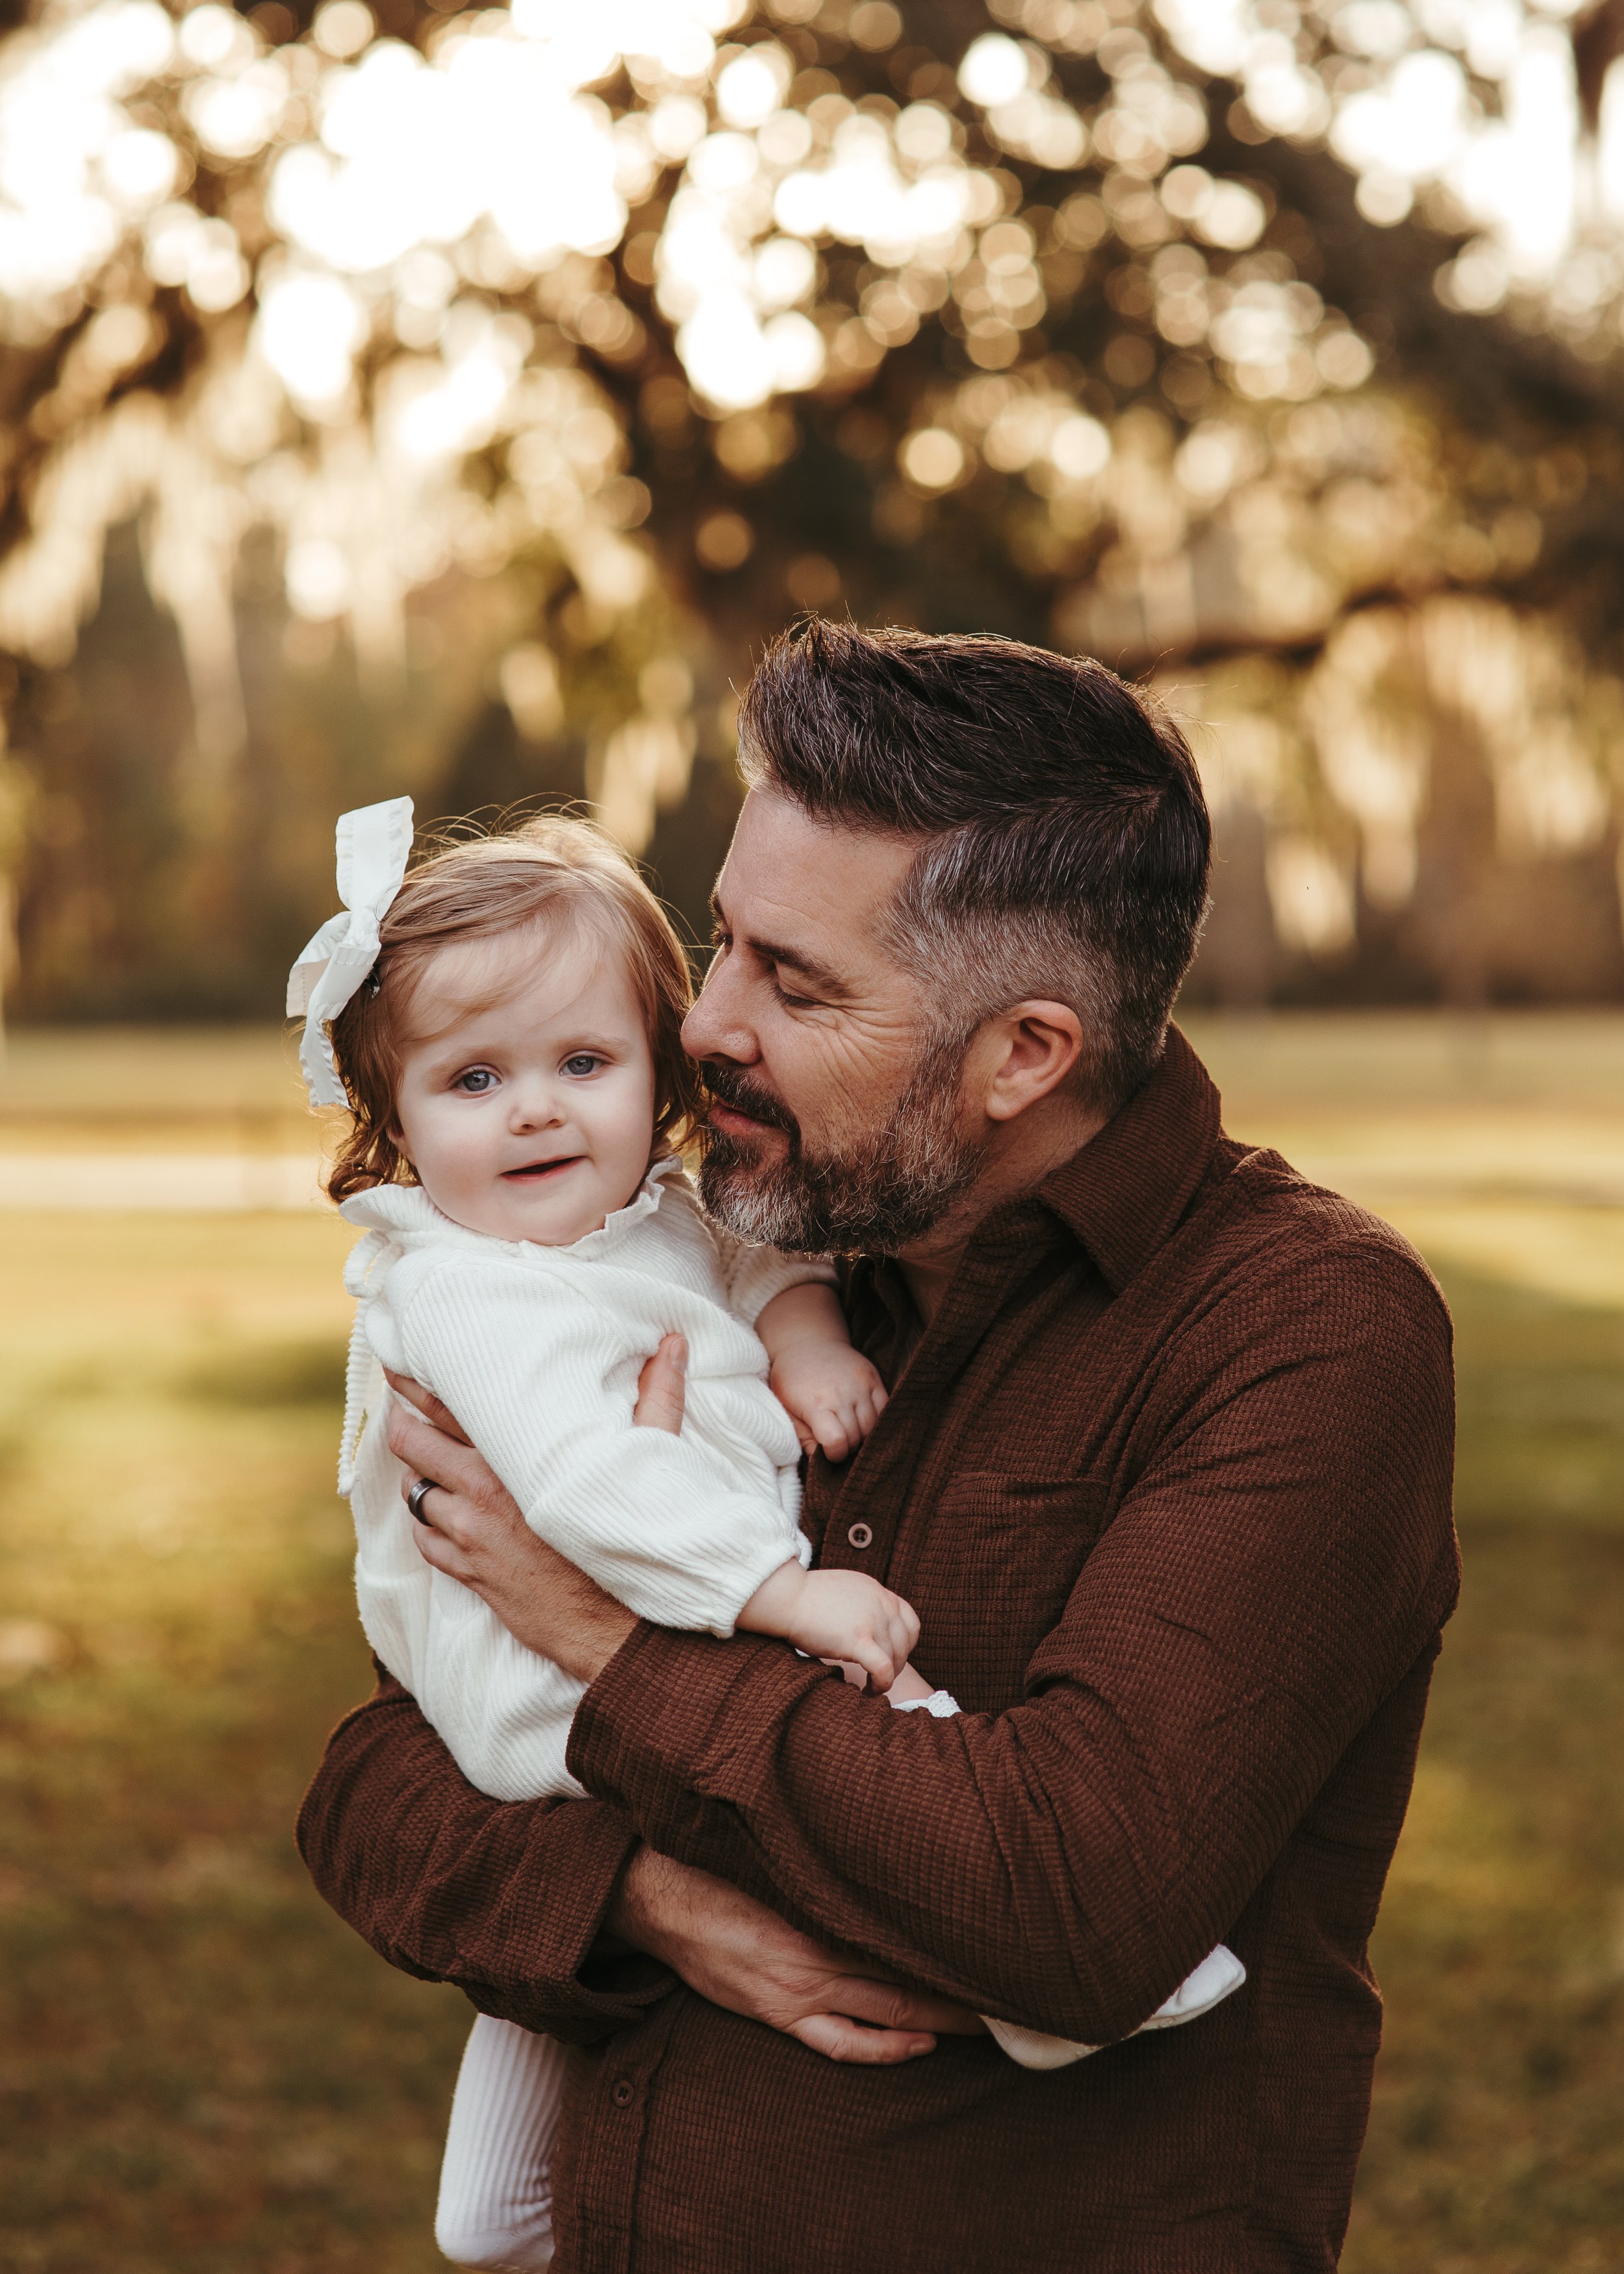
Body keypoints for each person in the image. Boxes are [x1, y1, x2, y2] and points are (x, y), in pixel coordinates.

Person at [298, 623, 1459, 2274]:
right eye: (722, 942)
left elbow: (1070, 1899)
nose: (701, 1028)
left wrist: (605, 1641)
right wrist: (646, 1902)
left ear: (1023, 1055)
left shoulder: (1298, 1335)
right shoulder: (712, 1253)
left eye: (799, 983)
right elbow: (371, 1782)